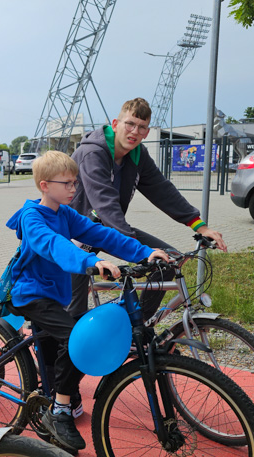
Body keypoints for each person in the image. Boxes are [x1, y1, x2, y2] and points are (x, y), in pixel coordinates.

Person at [6, 151, 168, 453]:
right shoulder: (32, 217)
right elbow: (52, 245)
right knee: (77, 341)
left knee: (62, 347)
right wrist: (90, 261)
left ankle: (56, 394)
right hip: (31, 293)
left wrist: (144, 252)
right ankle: (60, 410)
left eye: (75, 182)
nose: (74, 189)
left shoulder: (65, 214)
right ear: (44, 185)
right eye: (67, 183)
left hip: (54, 294)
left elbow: (102, 233)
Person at [69, 97, 227, 319]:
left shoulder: (138, 155)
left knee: (168, 261)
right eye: (130, 124)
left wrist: (199, 226)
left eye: (141, 127)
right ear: (115, 124)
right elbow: (105, 204)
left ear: (147, 132)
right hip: (74, 235)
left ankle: (139, 326)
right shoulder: (93, 153)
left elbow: (162, 190)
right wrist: (137, 248)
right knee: (73, 313)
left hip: (107, 228)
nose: (134, 131)